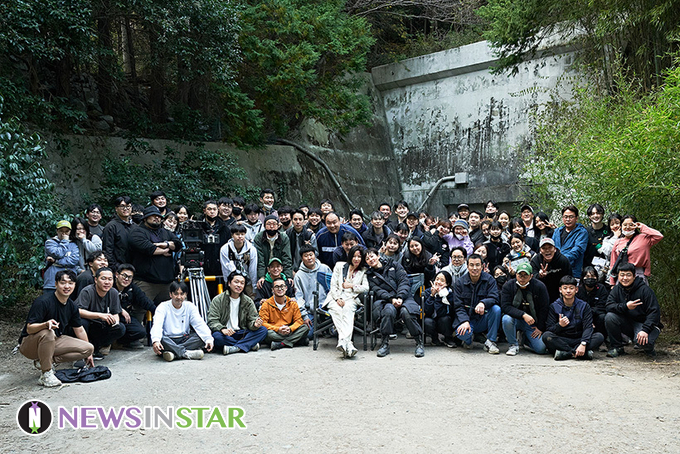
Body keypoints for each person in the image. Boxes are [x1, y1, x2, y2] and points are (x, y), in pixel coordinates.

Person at [18, 270, 94, 387]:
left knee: (88, 348)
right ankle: (46, 373)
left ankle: (46, 361)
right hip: (30, 344)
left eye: (70, 283)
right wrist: (45, 324)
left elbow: (79, 329)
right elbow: (29, 329)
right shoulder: (43, 301)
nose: (67, 286)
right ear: (56, 284)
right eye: (63, 283)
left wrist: (89, 355)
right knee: (48, 332)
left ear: (75, 285)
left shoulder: (72, 306)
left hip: (54, 340)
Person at [366, 249, 424, 358]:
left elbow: (404, 281)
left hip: (404, 297)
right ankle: (384, 343)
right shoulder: (369, 276)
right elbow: (377, 290)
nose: (370, 259)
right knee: (388, 311)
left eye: (372, 256)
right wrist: (391, 298)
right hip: (386, 301)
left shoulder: (394, 265)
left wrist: (400, 297)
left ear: (378, 256)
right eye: (367, 259)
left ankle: (419, 342)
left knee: (406, 312)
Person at [605, 263, 662, 358]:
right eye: (622, 275)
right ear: (618, 276)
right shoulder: (616, 289)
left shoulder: (645, 290)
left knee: (643, 342)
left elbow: (654, 312)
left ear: (634, 276)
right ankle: (617, 347)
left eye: (628, 275)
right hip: (628, 323)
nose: (625, 278)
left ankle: (649, 348)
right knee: (610, 317)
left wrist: (645, 330)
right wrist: (625, 306)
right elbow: (608, 306)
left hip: (644, 324)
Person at [129, 206, 183, 304]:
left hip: (167, 282)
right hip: (145, 282)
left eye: (158, 216)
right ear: (145, 218)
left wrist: (166, 244)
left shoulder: (165, 232)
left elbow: (178, 244)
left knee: (170, 309)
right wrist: (166, 250)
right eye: (153, 216)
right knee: (141, 309)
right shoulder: (137, 232)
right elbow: (148, 248)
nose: (157, 218)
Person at [543, 275, 605, 360]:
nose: (568, 291)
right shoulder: (554, 306)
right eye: (565, 288)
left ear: (576, 290)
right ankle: (576, 353)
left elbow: (588, 327)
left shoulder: (584, 306)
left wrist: (583, 344)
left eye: (571, 288)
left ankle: (566, 354)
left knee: (599, 336)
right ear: (560, 290)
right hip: (563, 339)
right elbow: (549, 328)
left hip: (579, 338)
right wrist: (559, 325)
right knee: (546, 336)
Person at [323, 245, 369, 357]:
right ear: (350, 256)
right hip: (335, 297)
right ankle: (348, 343)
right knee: (337, 310)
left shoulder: (363, 271)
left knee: (348, 309)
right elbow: (333, 285)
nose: (356, 259)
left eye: (359, 257)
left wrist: (352, 285)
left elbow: (366, 288)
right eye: (354, 256)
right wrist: (337, 298)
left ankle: (343, 341)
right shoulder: (340, 266)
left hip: (351, 299)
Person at [150, 282, 214, 361]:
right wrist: (156, 340)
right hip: (169, 339)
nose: (179, 297)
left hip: (184, 338)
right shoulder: (162, 307)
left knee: (201, 337)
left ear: (185, 295)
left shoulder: (190, 306)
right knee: (161, 340)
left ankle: (174, 353)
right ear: (170, 294)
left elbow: (199, 323)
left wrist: (208, 339)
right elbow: (157, 325)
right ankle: (186, 353)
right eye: (176, 294)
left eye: (182, 294)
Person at [208, 270, 268, 354]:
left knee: (263, 330)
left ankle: (235, 347)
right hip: (226, 334)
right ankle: (248, 345)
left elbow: (252, 319)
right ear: (229, 283)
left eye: (242, 283)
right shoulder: (218, 300)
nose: (239, 285)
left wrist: (255, 324)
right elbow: (212, 321)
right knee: (216, 337)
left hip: (242, 332)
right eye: (236, 282)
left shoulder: (248, 301)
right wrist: (222, 329)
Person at [452, 254, 501, 354]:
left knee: (496, 309)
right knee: (463, 333)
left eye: (477, 265)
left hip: (482, 319)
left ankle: (490, 341)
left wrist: (483, 303)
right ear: (467, 266)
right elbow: (458, 306)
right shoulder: (459, 283)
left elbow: (494, 297)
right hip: (466, 319)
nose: (474, 268)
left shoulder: (489, 280)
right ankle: (468, 340)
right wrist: (464, 321)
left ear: (482, 266)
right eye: (471, 265)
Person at [75, 267, 126, 358]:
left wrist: (115, 322)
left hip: (101, 324)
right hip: (89, 323)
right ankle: (84, 350)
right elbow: (78, 311)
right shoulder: (87, 291)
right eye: (103, 279)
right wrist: (100, 315)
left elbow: (115, 313)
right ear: (96, 279)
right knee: (82, 323)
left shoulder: (113, 292)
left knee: (120, 328)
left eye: (110, 279)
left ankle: (98, 347)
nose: (107, 282)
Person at [500, 263, 549, 356]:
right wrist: (523, 315)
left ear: (531, 276)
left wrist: (540, 327)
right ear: (516, 275)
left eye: (525, 275)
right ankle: (513, 344)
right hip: (515, 319)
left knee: (541, 349)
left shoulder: (540, 286)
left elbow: (544, 308)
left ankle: (525, 339)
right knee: (506, 319)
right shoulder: (508, 285)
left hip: (532, 323)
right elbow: (505, 306)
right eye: (520, 275)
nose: (522, 278)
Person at [609, 215, 663, 286]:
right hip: (622, 276)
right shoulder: (618, 242)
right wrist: (612, 283)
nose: (627, 227)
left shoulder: (644, 238)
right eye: (625, 225)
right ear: (621, 226)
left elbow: (659, 236)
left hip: (638, 274)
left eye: (631, 225)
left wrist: (641, 226)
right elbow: (613, 263)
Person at [259, 278, 310, 350]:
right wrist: (278, 329)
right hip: (275, 332)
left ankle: (281, 344)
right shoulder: (266, 304)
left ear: (286, 288)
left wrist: (290, 328)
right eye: (276, 287)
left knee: (305, 328)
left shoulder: (292, 303)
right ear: (272, 290)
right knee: (267, 333)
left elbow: (299, 321)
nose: (280, 289)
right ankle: (297, 341)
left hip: (288, 331)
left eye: (282, 286)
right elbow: (263, 323)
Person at [294, 245, 332, 336]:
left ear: (315, 255)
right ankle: (319, 327)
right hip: (310, 311)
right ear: (302, 258)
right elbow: (299, 298)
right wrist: (304, 316)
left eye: (311, 255)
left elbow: (333, 287)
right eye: (306, 256)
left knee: (336, 332)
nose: (309, 258)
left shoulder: (324, 268)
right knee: (308, 334)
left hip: (327, 307)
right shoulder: (298, 275)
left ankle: (325, 327)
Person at [115, 264, 156, 337]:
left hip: (125, 318)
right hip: (109, 315)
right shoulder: (109, 285)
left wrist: (158, 312)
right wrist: (119, 309)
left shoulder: (132, 287)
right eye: (124, 275)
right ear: (117, 275)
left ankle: (120, 341)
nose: (126, 279)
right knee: (119, 328)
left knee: (140, 331)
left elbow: (145, 301)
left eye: (130, 277)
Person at [530, 238, 573, 304]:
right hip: (541, 291)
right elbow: (531, 278)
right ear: (540, 251)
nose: (547, 250)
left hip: (558, 291)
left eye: (550, 247)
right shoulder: (535, 261)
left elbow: (569, 278)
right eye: (544, 248)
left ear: (555, 249)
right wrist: (540, 276)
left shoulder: (563, 260)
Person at [220, 223, 258, 297]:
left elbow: (253, 269)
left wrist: (254, 286)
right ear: (232, 235)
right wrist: (227, 283)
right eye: (237, 234)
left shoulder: (251, 249)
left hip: (248, 281)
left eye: (242, 234)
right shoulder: (225, 249)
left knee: (250, 299)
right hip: (232, 281)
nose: (240, 236)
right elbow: (225, 269)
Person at [43, 220, 81, 293]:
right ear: (57, 231)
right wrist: (65, 241)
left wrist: (56, 261)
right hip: (52, 283)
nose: (64, 233)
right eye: (61, 231)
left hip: (69, 283)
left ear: (70, 232)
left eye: (66, 231)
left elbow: (74, 260)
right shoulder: (50, 243)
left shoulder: (73, 245)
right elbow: (58, 254)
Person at [552, 205, 589, 279]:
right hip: (556, 270)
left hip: (572, 271)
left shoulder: (582, 232)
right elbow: (551, 247)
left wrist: (561, 260)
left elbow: (578, 250)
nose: (568, 219)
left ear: (576, 218)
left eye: (571, 217)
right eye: (565, 217)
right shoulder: (557, 231)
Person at [254, 215, 293, 281]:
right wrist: (261, 276)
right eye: (269, 224)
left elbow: (286, 258)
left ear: (278, 225)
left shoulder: (283, 237)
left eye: (274, 224)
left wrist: (288, 276)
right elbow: (260, 259)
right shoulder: (259, 238)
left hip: (279, 269)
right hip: (266, 268)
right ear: (264, 226)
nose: (271, 226)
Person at [423, 270, 457, 347]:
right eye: (437, 279)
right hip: (431, 318)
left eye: (442, 280)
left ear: (447, 283)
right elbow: (427, 311)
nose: (438, 282)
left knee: (446, 319)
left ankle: (448, 338)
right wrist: (432, 296)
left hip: (443, 320)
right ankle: (434, 338)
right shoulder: (427, 292)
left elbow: (443, 312)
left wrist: (439, 296)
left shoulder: (450, 294)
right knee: (427, 322)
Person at [102, 195, 135, 272]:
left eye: (128, 206)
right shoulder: (111, 226)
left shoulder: (135, 226)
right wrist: (115, 267)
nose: (125, 209)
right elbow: (108, 250)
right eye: (122, 206)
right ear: (116, 209)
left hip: (134, 268)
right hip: (118, 268)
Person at [576, 266, 609, 341]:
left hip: (596, 316)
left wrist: (590, 313)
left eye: (593, 276)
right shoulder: (578, 290)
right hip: (582, 316)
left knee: (602, 317)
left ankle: (602, 339)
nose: (590, 278)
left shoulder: (601, 288)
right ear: (583, 278)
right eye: (587, 276)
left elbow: (602, 306)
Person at [584, 203, 608, 268]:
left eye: (598, 213)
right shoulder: (585, 232)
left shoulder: (609, 230)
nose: (595, 216)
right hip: (588, 268)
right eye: (592, 214)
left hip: (606, 267)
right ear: (589, 216)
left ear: (602, 214)